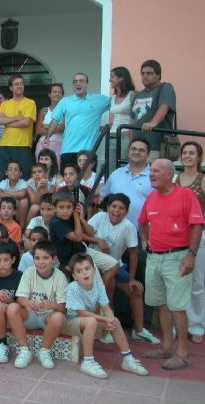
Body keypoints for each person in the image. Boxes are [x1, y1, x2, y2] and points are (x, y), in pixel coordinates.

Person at [139, 159, 204, 370]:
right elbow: (142, 222)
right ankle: (166, 347)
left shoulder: (185, 195)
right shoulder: (151, 198)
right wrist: (145, 240)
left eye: (156, 171)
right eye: (151, 171)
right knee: (161, 304)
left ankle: (182, 353)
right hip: (154, 257)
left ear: (169, 174)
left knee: (177, 306)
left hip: (178, 257)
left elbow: (197, 226)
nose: (151, 174)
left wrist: (191, 255)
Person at [87, 194, 160, 344]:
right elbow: (83, 234)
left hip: (115, 264)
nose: (116, 211)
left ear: (126, 212)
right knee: (109, 286)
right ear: (108, 208)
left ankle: (139, 331)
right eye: (113, 206)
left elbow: (133, 253)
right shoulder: (100, 217)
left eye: (121, 208)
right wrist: (98, 241)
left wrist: (132, 278)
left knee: (135, 291)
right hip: (94, 264)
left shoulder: (128, 226)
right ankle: (105, 328)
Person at [64, 253, 149, 379]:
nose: (85, 273)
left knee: (114, 320)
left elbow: (106, 307)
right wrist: (103, 319)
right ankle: (87, 361)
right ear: (74, 276)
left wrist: (110, 320)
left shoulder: (98, 284)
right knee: (91, 321)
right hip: (71, 324)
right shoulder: (73, 287)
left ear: (94, 270)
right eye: (79, 271)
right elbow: (81, 313)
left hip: (89, 321)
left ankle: (127, 358)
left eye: (87, 269)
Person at [7, 240, 67, 369]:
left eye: (45, 258)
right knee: (12, 308)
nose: (41, 262)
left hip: (47, 317)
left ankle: (44, 351)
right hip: (31, 314)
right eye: (37, 258)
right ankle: (24, 350)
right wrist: (28, 302)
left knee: (59, 317)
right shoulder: (29, 272)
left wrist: (53, 305)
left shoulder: (60, 277)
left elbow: (63, 308)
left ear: (54, 259)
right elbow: (20, 298)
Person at [49, 191, 119, 301]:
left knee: (114, 265)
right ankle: (99, 302)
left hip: (83, 250)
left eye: (69, 207)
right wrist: (76, 217)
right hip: (72, 259)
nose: (65, 211)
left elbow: (87, 234)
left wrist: (81, 218)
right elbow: (77, 237)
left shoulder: (72, 216)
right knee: (94, 285)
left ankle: (100, 295)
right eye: (61, 207)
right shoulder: (56, 223)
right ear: (54, 208)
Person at [44, 73, 110, 171]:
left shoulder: (99, 100)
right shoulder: (65, 101)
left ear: (87, 84)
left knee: (86, 184)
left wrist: (113, 125)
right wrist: (47, 137)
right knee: (67, 183)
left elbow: (118, 105)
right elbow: (55, 121)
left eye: (81, 81)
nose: (78, 84)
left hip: (88, 151)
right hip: (68, 150)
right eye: (75, 81)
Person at [175, 141, 205, 344]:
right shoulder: (176, 179)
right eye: (185, 152)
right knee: (178, 283)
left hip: (199, 236)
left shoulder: (202, 179)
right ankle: (180, 325)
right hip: (178, 237)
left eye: (191, 153)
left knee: (197, 284)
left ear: (199, 157)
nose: (187, 156)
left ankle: (196, 327)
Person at [100, 138, 152, 229]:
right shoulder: (116, 173)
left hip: (141, 233)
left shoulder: (154, 176)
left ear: (148, 154)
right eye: (133, 149)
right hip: (113, 231)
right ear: (128, 152)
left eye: (141, 150)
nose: (136, 152)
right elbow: (103, 195)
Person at [131, 59, 176, 160]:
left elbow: (164, 106)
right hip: (136, 147)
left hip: (155, 147)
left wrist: (152, 123)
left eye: (149, 73)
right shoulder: (137, 94)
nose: (145, 76)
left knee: (153, 175)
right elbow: (132, 121)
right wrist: (131, 143)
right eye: (142, 73)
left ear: (158, 75)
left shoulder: (165, 87)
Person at [0, 74, 37, 181]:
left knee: (24, 177)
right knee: (2, 177)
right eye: (16, 84)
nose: (19, 86)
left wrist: (7, 121)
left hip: (23, 145)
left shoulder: (30, 102)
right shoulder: (4, 104)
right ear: (10, 88)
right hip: (4, 144)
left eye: (21, 84)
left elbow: (26, 122)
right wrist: (18, 118)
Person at [108, 67, 135, 170]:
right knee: (111, 167)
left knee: (124, 166)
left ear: (121, 78)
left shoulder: (132, 95)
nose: (110, 79)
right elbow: (112, 119)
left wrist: (132, 141)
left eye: (112, 77)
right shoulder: (113, 97)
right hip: (112, 136)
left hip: (125, 136)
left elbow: (134, 118)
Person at [35, 83, 65, 163]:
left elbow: (62, 128)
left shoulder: (65, 111)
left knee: (56, 171)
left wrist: (45, 126)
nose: (57, 94)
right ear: (49, 94)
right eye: (54, 92)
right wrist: (55, 127)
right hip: (42, 144)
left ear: (62, 95)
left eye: (59, 92)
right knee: (41, 171)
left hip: (59, 144)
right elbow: (38, 131)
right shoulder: (44, 110)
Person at [0, 159, 28, 225]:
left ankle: (21, 227)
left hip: (18, 204)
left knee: (24, 201)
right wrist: (14, 195)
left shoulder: (23, 182)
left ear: (20, 173)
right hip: (6, 203)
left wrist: (4, 192)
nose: (13, 171)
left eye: (16, 169)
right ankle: (0, 225)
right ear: (6, 172)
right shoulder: (4, 182)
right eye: (10, 169)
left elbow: (22, 194)